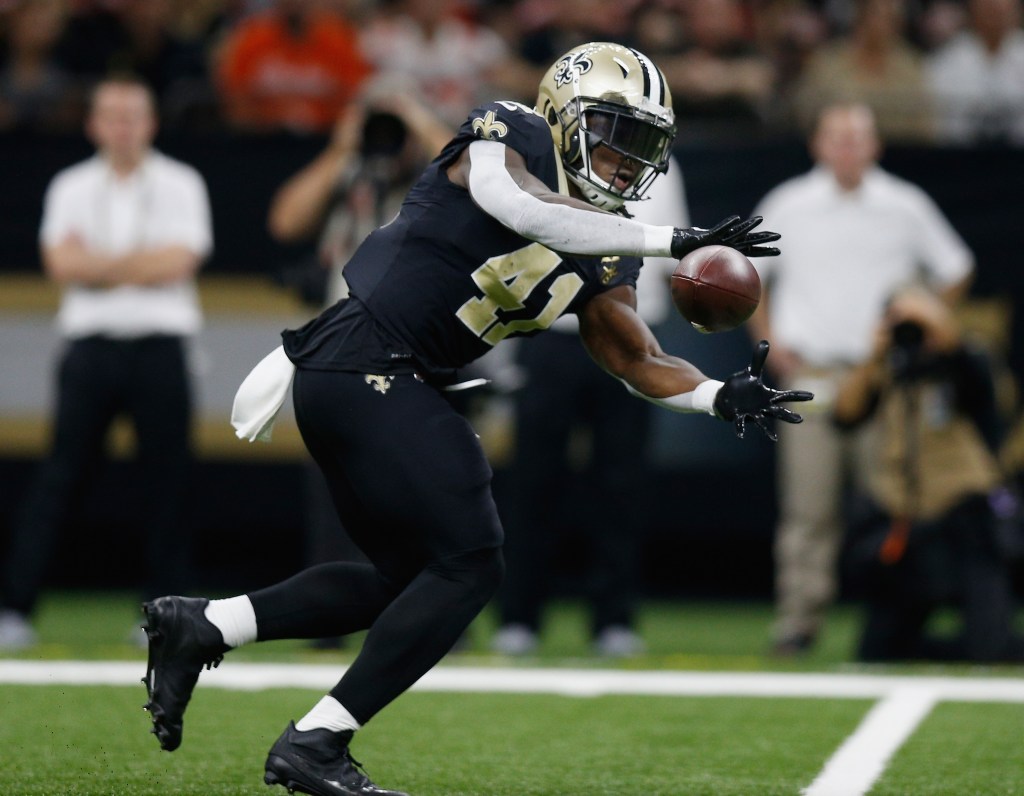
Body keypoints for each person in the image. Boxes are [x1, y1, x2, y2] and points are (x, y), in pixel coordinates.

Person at [140, 42, 810, 796]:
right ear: (563, 113)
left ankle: (205, 625)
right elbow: (520, 208)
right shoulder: (513, 131)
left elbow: (632, 355)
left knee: (407, 580)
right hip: (366, 357)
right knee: (472, 558)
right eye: (613, 131)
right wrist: (673, 240)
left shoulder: (609, 239)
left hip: (385, 375)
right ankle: (317, 741)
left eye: (642, 145)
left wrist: (719, 395)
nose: (626, 160)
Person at [747, 101, 973, 656]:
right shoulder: (790, 203)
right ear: (818, 144)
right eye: (838, 137)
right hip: (812, 376)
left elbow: (955, 268)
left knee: (892, 499)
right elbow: (746, 273)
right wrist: (769, 340)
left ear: (875, 146)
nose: (848, 148)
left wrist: (913, 326)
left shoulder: (903, 204)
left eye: (858, 138)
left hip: (882, 379)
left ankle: (893, 620)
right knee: (808, 508)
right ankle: (798, 623)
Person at [0, 76, 213, 651]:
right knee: (59, 478)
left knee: (169, 484)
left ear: (151, 122)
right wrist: (135, 264)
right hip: (89, 348)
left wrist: (99, 265)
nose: (122, 126)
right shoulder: (70, 185)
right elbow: (60, 263)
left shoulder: (181, 182)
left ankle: (166, 618)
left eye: (133, 115)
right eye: (111, 115)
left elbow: (181, 259)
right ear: (94, 123)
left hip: (161, 346)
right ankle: (15, 609)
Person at [491, 153, 690, 658]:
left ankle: (614, 619)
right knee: (534, 480)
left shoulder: (661, 164)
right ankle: (519, 616)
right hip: (550, 333)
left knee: (621, 482)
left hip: (632, 332)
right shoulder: (546, 158)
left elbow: (675, 255)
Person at [836, 286, 1024, 662]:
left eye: (918, 318)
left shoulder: (967, 358)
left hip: (965, 513)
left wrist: (939, 330)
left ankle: (977, 645)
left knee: (991, 650)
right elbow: (845, 417)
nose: (911, 328)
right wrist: (873, 356)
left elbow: (984, 392)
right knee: (876, 653)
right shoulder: (889, 366)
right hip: (905, 515)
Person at [925, 0, 1024, 145]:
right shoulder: (946, 61)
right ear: (973, 9)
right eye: (989, 9)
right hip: (959, 156)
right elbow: (938, 124)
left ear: (1016, 10)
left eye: (1001, 9)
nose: (995, 14)